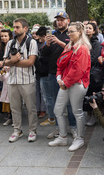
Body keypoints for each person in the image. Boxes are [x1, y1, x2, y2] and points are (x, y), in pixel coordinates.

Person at [48, 22, 91, 151]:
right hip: (66, 83)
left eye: (72, 31)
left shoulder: (82, 48)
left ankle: (79, 138)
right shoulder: (69, 46)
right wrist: (59, 77)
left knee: (77, 112)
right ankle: (62, 137)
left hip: (77, 84)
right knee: (58, 110)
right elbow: (60, 63)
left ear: (79, 32)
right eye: (69, 31)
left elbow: (78, 71)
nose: (69, 34)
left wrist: (64, 82)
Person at [40, 11, 76, 139]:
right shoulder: (52, 34)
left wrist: (59, 43)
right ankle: (59, 128)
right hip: (53, 73)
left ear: (68, 20)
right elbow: (43, 54)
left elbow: (75, 50)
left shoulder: (71, 33)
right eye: (58, 20)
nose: (59, 22)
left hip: (69, 73)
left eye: (62, 19)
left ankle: (73, 127)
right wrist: (48, 44)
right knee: (56, 102)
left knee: (70, 103)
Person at [3, 18, 38, 143]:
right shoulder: (10, 43)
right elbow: (4, 62)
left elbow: (30, 62)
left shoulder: (31, 42)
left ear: (25, 28)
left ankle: (32, 130)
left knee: (31, 108)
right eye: (14, 27)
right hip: (12, 80)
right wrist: (11, 61)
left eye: (17, 27)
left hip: (27, 80)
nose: (15, 29)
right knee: (15, 108)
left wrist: (13, 62)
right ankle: (17, 130)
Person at [84, 22, 102, 126]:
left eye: (90, 28)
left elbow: (94, 58)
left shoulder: (96, 43)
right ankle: (88, 114)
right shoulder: (83, 42)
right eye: (86, 28)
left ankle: (95, 116)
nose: (87, 30)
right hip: (84, 73)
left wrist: (83, 61)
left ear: (94, 31)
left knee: (93, 95)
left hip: (92, 73)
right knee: (86, 95)